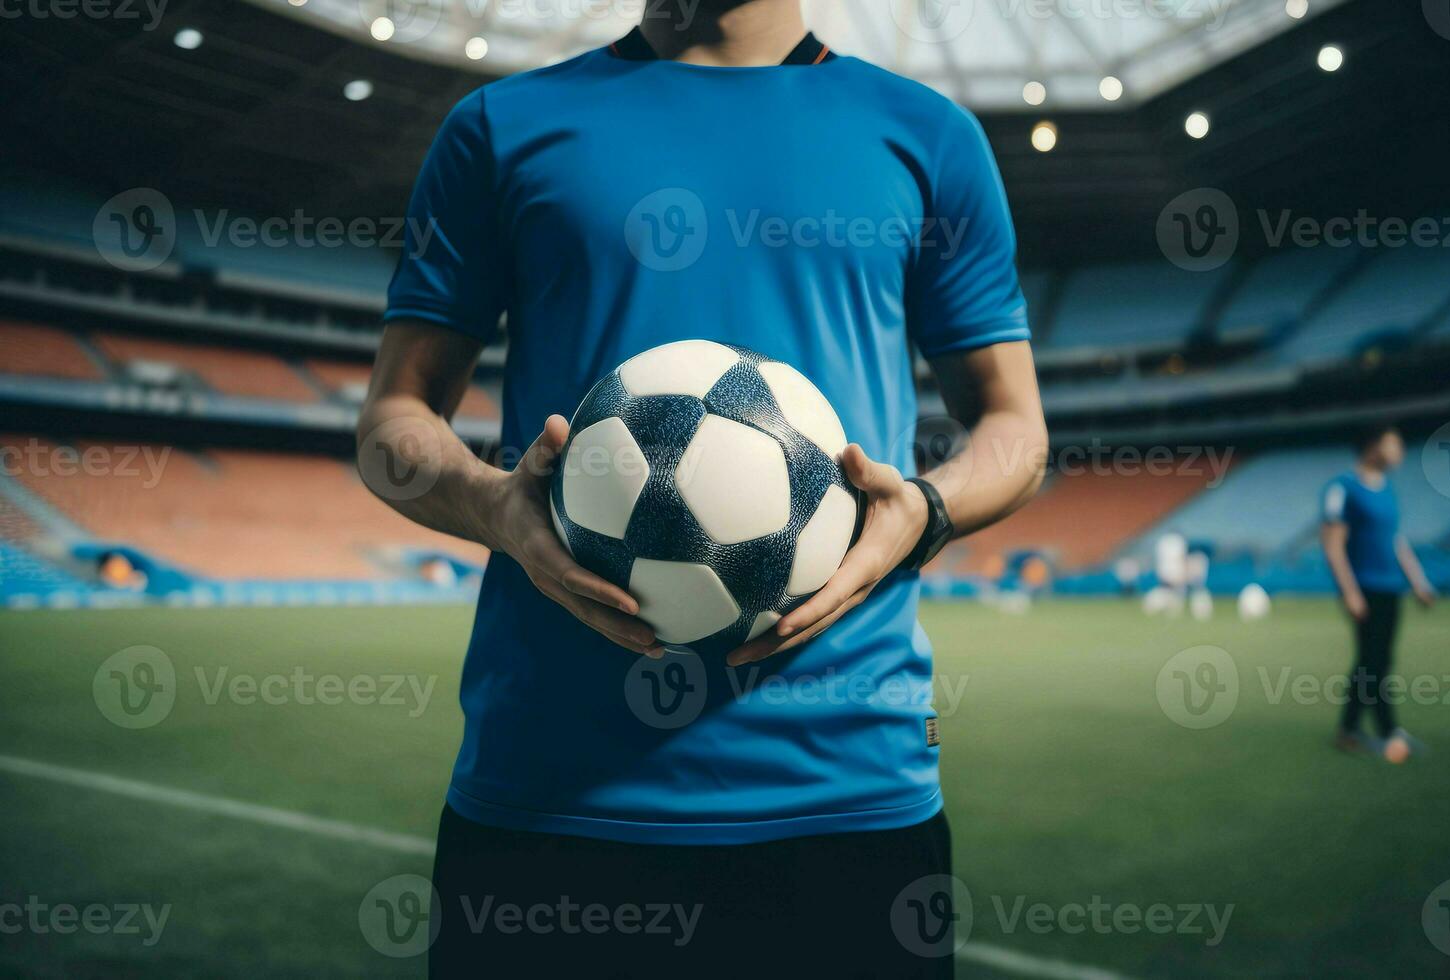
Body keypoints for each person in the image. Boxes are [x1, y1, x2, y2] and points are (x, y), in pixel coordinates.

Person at [357, 1, 1047, 974]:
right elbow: (394, 415)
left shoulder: (927, 135)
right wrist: (493, 508)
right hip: (551, 787)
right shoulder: (501, 128)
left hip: (846, 787)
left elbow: (1015, 428)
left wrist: (925, 511)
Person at [1321, 423, 1436, 762]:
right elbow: (1333, 545)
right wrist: (1350, 591)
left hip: (1390, 588)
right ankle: (1388, 731)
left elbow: (1395, 541)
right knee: (1375, 661)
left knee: (1373, 661)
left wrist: (1417, 580)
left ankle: (1349, 729)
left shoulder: (1387, 489)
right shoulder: (1343, 488)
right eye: (1393, 444)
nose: (1399, 451)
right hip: (1364, 587)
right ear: (1373, 446)